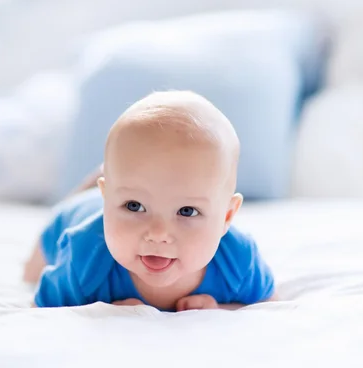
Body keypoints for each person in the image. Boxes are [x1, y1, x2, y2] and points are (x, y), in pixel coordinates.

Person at [25, 90, 277, 311]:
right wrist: (101, 311)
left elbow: (271, 307)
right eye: (134, 206)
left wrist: (219, 308)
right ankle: (88, 189)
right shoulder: (83, 257)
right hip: (70, 217)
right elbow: (39, 310)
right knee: (30, 273)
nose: (158, 233)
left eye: (187, 211)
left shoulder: (238, 260)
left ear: (227, 217)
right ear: (107, 200)